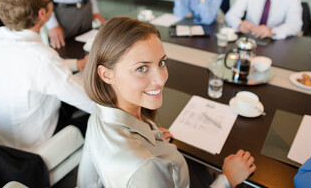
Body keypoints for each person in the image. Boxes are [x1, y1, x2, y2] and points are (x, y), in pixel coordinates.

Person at [77, 17, 256, 187]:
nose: (161, 80)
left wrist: (151, 136)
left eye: (161, 63)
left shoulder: (99, 113)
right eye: (141, 68)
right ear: (107, 75)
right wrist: (228, 179)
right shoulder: (144, 168)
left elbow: (88, 181)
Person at [0, 0, 95, 152]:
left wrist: (77, 65)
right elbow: (90, 102)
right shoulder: (41, 58)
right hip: (34, 150)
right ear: (42, 13)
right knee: (101, 116)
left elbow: (32, 71)